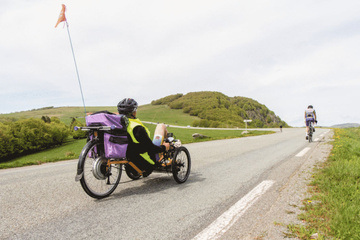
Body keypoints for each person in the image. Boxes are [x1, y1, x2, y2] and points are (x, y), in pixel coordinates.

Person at [117, 98, 170, 177]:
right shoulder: (137, 128)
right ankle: (171, 146)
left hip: (130, 158)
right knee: (161, 126)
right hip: (148, 161)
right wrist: (164, 148)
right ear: (133, 112)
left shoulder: (119, 125)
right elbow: (151, 148)